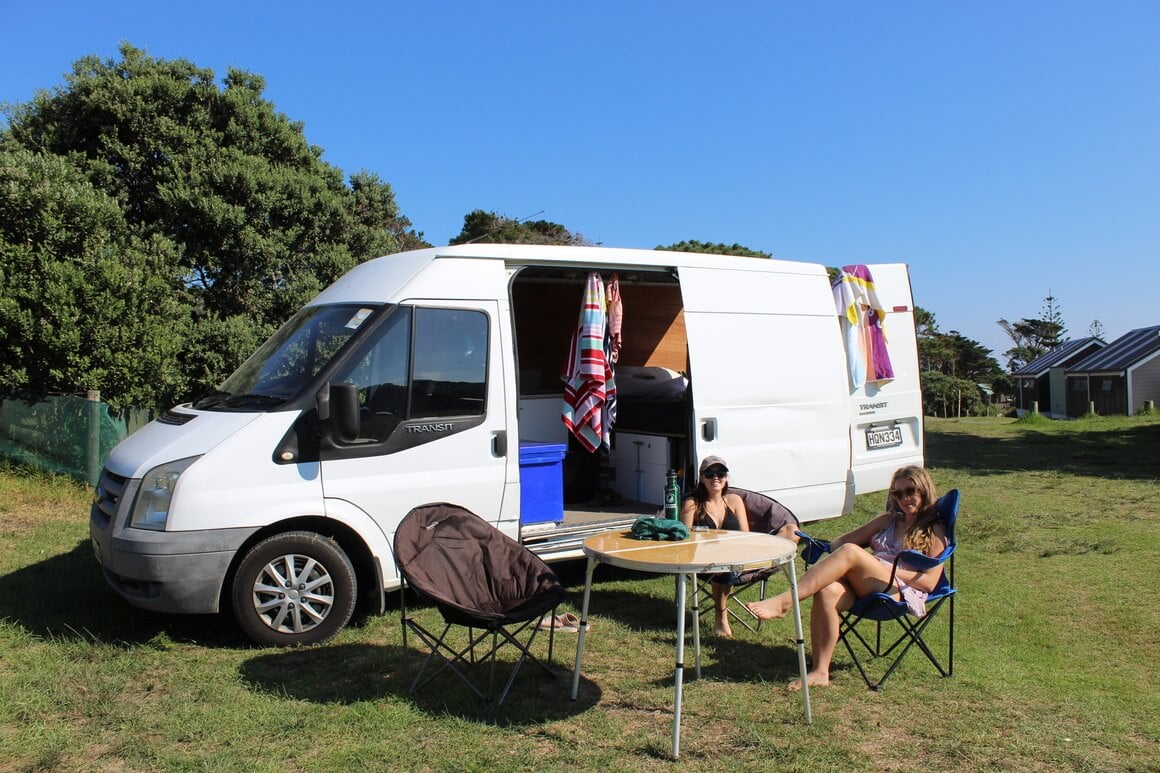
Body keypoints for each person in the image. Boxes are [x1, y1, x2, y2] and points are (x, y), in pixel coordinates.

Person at [745, 465, 948, 690]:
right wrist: (817, 543)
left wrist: (885, 566)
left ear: (923, 490)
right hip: (869, 581)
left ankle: (785, 602)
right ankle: (820, 671)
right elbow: (839, 545)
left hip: (898, 591)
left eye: (910, 491)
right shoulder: (888, 521)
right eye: (897, 494)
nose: (904, 498)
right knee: (827, 590)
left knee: (851, 552)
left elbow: (929, 582)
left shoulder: (934, 531)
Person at [679, 455, 749, 638]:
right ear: (702, 478)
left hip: (734, 557)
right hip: (702, 559)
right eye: (709, 474)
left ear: (726, 477)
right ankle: (721, 616)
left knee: (726, 565)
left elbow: (746, 536)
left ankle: (720, 613)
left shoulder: (734, 501)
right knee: (721, 568)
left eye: (720, 473)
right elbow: (685, 538)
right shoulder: (692, 503)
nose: (715, 477)